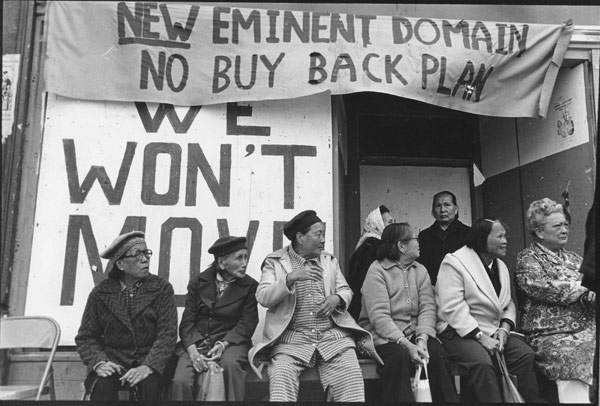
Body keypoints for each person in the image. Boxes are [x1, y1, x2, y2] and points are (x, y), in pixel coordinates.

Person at [248, 210, 382, 402]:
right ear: (300, 237)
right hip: (292, 341)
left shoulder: (329, 260)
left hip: (333, 338)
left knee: (352, 378)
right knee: (280, 377)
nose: (323, 240)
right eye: (318, 235)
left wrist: (337, 299)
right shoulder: (275, 262)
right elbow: (263, 297)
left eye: (324, 235)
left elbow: (346, 290)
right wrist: (290, 277)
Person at [435, 218, 545, 403]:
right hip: (459, 331)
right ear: (482, 239)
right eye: (500, 236)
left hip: (494, 330)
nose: (505, 241)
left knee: (524, 355)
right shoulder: (454, 262)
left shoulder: (499, 265)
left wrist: (504, 329)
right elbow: (452, 307)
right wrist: (481, 337)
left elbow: (507, 303)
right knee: (482, 363)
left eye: (505, 236)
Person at [359, 223, 458, 403]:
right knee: (398, 357)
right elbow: (379, 318)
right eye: (415, 239)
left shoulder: (420, 270)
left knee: (436, 353)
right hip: (382, 337)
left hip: (414, 335)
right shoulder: (377, 271)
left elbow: (428, 308)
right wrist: (407, 344)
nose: (419, 243)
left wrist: (422, 339)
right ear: (401, 245)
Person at [76, 231, 178, 401]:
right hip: (113, 361)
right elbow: (86, 338)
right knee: (102, 386)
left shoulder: (162, 289)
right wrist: (100, 363)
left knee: (150, 385)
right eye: (138, 255)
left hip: (149, 360)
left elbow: (167, 335)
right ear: (121, 264)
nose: (145, 259)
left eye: (146, 253)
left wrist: (149, 366)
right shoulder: (101, 293)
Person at [516, 198, 596, 403]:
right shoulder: (528, 258)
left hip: (587, 329)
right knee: (573, 356)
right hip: (550, 334)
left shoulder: (575, 259)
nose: (564, 230)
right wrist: (586, 287)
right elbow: (544, 288)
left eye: (566, 225)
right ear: (540, 232)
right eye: (557, 225)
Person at [171, 236, 259, 401]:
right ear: (221, 262)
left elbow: (248, 323)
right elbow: (187, 322)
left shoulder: (250, 286)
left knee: (230, 366)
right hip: (197, 342)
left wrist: (223, 344)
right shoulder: (198, 282)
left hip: (231, 342)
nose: (245, 263)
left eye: (246, 257)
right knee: (180, 381)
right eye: (239, 258)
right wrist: (193, 352)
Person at [347, 204, 395, 319]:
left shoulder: (382, 246)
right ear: (378, 225)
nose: (393, 226)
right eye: (390, 223)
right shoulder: (368, 249)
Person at [418, 191, 470, 285]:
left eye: (447, 205)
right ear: (433, 211)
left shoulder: (468, 233)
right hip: (431, 288)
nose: (442, 210)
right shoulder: (424, 236)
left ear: (456, 209)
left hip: (461, 287)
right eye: (438, 206)